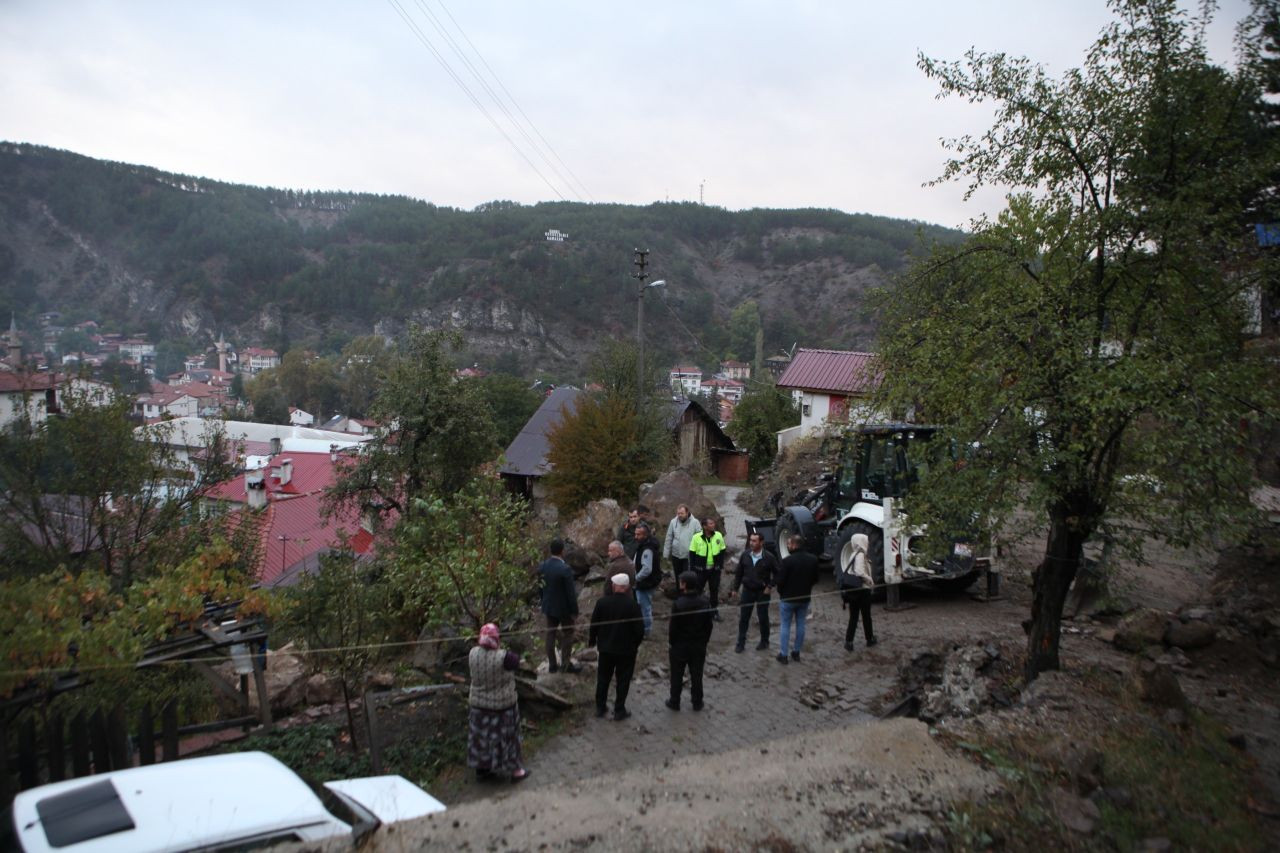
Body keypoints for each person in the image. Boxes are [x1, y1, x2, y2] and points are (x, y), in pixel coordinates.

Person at [467, 623, 529, 782]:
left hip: (478, 707)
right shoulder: (505, 657)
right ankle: (516, 771)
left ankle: (482, 770)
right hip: (502, 707)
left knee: (481, 739)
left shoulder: (472, 653)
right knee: (508, 738)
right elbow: (517, 662)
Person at [588, 573, 646, 720]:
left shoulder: (602, 603)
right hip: (626, 651)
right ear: (627, 588)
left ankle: (600, 707)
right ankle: (619, 709)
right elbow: (639, 630)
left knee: (603, 678)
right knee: (623, 680)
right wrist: (635, 645)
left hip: (606, 649)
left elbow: (594, 624)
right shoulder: (633, 606)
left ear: (614, 586)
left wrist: (592, 640)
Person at [666, 571, 714, 712]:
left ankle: (675, 701)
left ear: (684, 585)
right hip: (698, 645)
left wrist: (672, 642)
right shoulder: (705, 601)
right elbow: (708, 625)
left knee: (677, 674)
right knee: (697, 674)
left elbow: (673, 627)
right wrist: (704, 641)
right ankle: (697, 702)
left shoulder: (678, 604)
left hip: (680, 645)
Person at [730, 530, 778, 653]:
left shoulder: (769, 557)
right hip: (747, 591)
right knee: (744, 618)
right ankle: (740, 643)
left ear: (761, 542)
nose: (751, 543)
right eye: (750, 540)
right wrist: (735, 588)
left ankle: (764, 641)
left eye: (754, 541)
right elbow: (739, 573)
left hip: (762, 592)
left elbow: (778, 574)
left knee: (763, 617)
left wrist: (770, 586)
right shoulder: (745, 555)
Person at [775, 534, 821, 663]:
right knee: (801, 624)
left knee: (785, 625)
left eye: (789, 544)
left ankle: (783, 655)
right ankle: (796, 652)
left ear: (794, 545)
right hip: (804, 598)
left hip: (787, 599)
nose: (788, 546)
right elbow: (816, 579)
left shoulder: (787, 561)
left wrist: (781, 592)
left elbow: (780, 580)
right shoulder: (813, 559)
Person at [538, 538, 581, 673]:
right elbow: (571, 593)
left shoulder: (543, 566)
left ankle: (552, 665)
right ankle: (565, 664)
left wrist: (543, 600)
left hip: (549, 606)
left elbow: (540, 587)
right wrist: (574, 610)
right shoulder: (565, 569)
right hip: (564, 609)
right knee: (568, 633)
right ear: (562, 551)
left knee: (550, 633)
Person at [840, 532, 878, 652]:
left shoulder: (853, 554)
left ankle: (849, 642)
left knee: (854, 617)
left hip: (853, 591)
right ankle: (870, 639)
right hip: (862, 590)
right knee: (866, 616)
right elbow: (859, 572)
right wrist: (870, 580)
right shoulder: (861, 555)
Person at [687, 516, 727, 621]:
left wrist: (719, 565)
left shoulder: (718, 535)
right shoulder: (696, 537)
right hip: (700, 570)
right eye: (711, 524)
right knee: (698, 591)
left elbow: (722, 551)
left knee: (714, 591)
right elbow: (692, 554)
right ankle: (697, 612)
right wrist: (693, 570)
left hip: (714, 570)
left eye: (713, 523)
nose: (713, 525)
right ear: (704, 526)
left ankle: (714, 612)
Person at [632, 522, 663, 636]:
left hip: (646, 583)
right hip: (645, 582)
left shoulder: (647, 549)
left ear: (645, 535)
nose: (636, 537)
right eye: (635, 534)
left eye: (638, 535)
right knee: (643, 606)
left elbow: (647, 569)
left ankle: (646, 631)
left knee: (645, 608)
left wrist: (636, 578)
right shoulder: (644, 545)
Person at [663, 504, 700, 577]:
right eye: (678, 513)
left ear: (687, 512)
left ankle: (686, 588)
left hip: (688, 556)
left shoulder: (695, 522)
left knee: (686, 577)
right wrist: (666, 554)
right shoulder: (673, 522)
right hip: (675, 555)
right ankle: (678, 588)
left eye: (682, 513)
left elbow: (700, 539)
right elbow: (669, 538)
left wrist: (698, 555)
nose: (680, 515)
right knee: (677, 576)